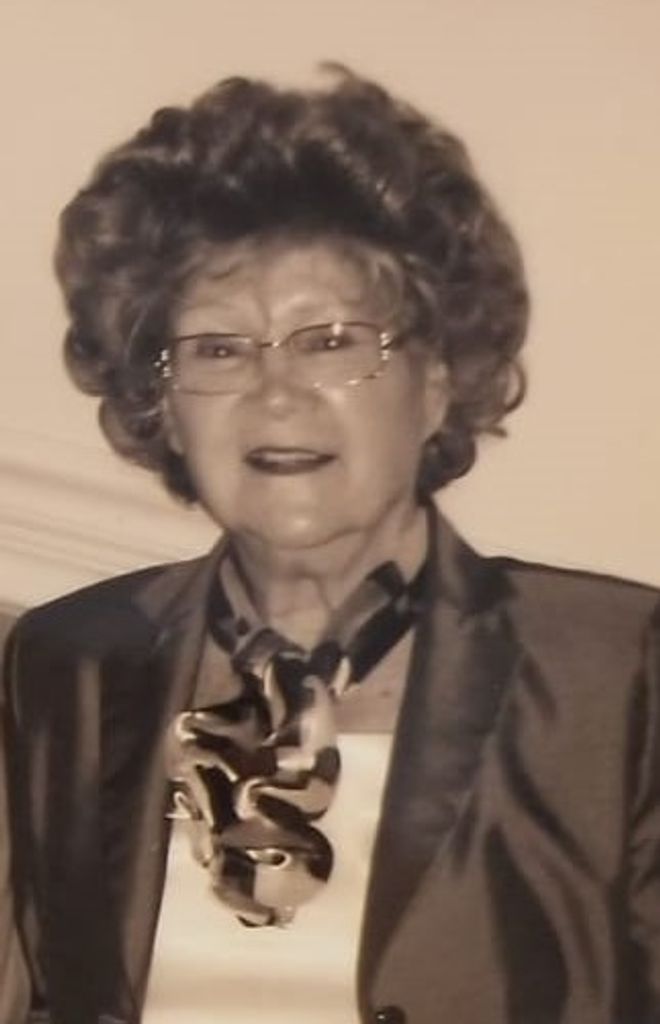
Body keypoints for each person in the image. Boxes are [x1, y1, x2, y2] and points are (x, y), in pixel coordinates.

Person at [2, 66, 659, 1024]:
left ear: (436, 381)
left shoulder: (619, 672)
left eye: (332, 341)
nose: (276, 395)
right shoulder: (70, 663)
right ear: (164, 408)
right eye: (219, 349)